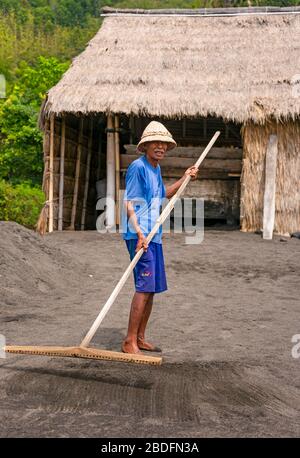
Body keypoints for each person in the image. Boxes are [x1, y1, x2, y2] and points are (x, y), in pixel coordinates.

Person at [121, 121, 198, 354]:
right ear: (145, 146)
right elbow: (129, 203)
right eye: (155, 142)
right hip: (140, 235)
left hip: (154, 235)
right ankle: (129, 341)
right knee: (143, 287)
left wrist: (185, 178)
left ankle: (141, 338)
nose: (160, 147)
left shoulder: (155, 168)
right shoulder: (138, 167)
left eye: (163, 143)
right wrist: (141, 235)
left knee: (151, 288)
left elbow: (162, 194)